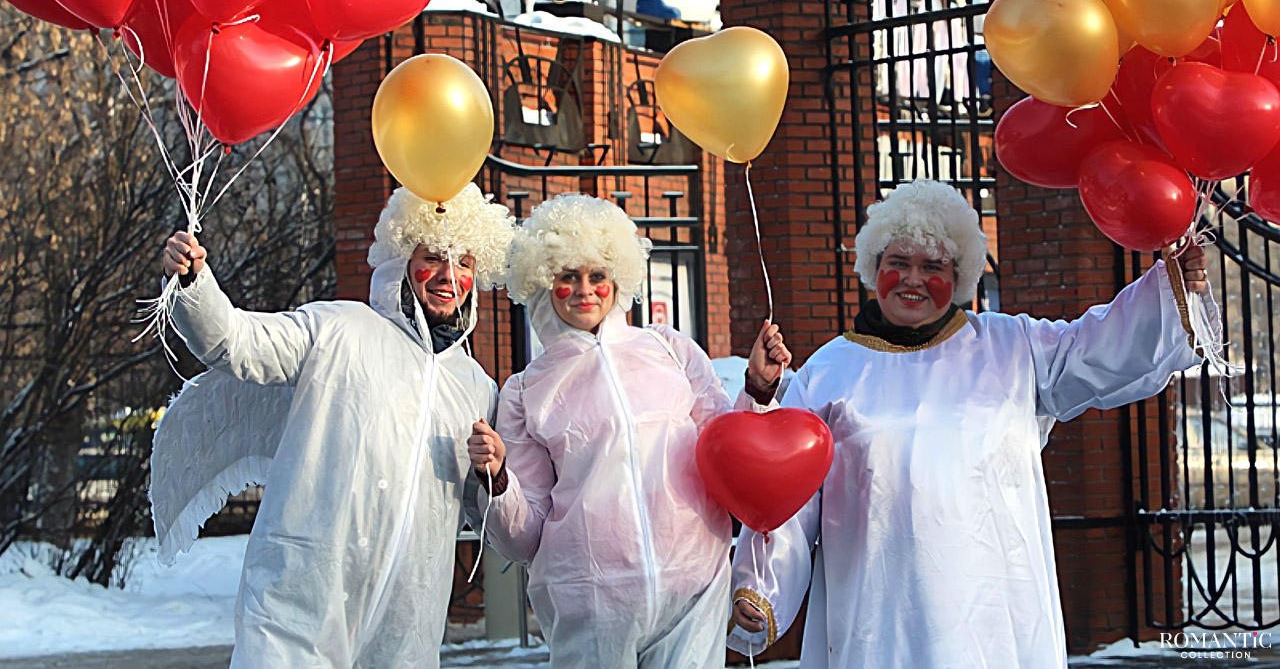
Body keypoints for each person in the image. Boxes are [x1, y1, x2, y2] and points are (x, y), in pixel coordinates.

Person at [727, 179, 1216, 669]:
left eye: (932, 266)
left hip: (992, 615)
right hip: (877, 617)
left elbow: (1096, 348)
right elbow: (788, 493)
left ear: (959, 276)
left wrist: (1169, 289)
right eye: (898, 262)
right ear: (874, 267)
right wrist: (760, 586)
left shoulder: (1011, 348)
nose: (912, 279)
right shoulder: (829, 371)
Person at [149, 184, 515, 669]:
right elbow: (235, 342)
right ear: (402, 259)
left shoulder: (475, 386)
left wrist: (495, 476)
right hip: (296, 613)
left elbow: (482, 515)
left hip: (404, 634)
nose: (450, 276)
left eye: (465, 263)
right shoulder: (337, 329)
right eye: (433, 258)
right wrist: (194, 280)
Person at [466, 193, 791, 669]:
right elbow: (521, 539)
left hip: (694, 589)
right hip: (591, 602)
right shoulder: (524, 390)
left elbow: (729, 452)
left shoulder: (671, 349)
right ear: (543, 280)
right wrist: (498, 481)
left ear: (618, 278)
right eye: (568, 276)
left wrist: (757, 388)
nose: (585, 290)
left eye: (597, 275)